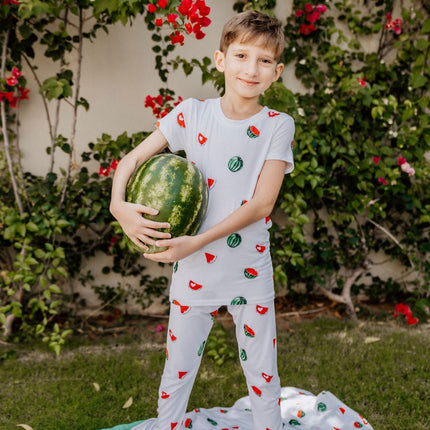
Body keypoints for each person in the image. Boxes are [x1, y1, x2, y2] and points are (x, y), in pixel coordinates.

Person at [110, 9, 295, 430]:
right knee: (178, 371)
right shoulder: (191, 114)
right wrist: (118, 207)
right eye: (242, 56)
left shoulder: (277, 126)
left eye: (264, 61)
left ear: (277, 71)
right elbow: (133, 159)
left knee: (263, 375)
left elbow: (261, 205)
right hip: (193, 271)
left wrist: (197, 240)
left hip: (249, 268)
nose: (251, 69)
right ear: (220, 59)